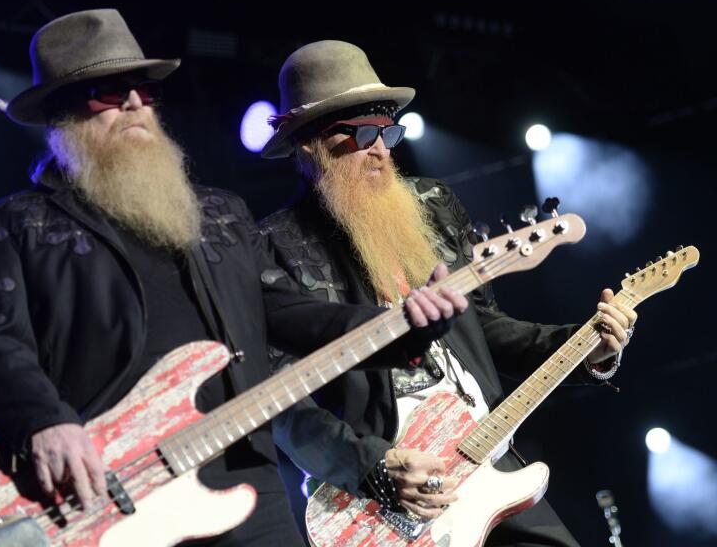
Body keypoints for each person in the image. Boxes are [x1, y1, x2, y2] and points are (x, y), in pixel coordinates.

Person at [0, 14, 467, 546]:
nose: (134, 103)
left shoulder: (217, 214)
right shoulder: (15, 224)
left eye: (143, 90)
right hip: (110, 487)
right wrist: (43, 422)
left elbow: (288, 314)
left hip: (243, 469)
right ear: (61, 114)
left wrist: (404, 324)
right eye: (108, 94)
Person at [260, 40, 637, 545]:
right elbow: (282, 404)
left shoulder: (432, 204)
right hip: (381, 497)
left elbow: (482, 328)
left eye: (389, 131)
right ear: (308, 145)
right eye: (363, 133)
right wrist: (372, 467)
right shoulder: (272, 247)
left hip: (485, 460)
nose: (381, 148)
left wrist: (586, 344)